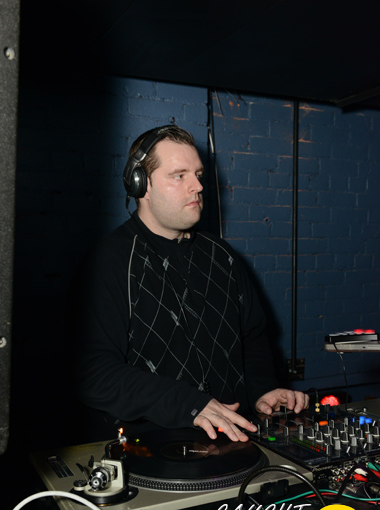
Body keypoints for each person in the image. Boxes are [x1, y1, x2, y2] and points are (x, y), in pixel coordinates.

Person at [73, 124, 308, 443]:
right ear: (140, 184)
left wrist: (262, 391)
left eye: (197, 174)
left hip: (233, 442)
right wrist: (189, 404)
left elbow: (251, 338)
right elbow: (93, 372)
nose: (197, 186)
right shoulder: (109, 262)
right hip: (152, 450)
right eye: (179, 175)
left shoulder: (223, 257)